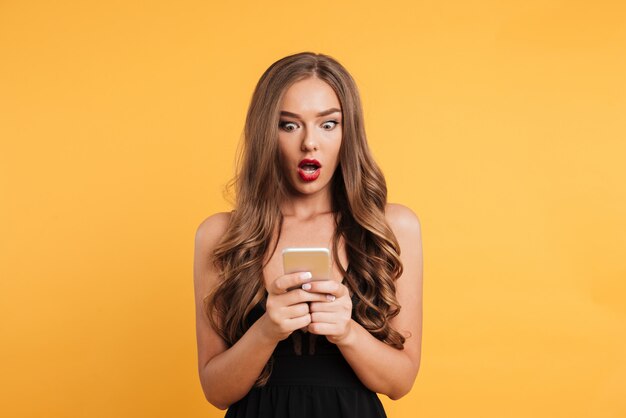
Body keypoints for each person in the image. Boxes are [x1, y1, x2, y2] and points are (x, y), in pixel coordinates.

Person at [193, 51, 423, 418]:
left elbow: (400, 382)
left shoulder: (392, 228)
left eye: (328, 124)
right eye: (289, 125)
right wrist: (267, 329)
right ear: (266, 133)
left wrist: (346, 332)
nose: (309, 143)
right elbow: (216, 391)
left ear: (349, 132)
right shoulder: (221, 235)